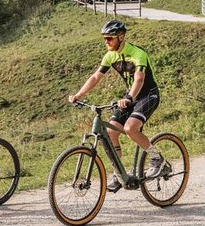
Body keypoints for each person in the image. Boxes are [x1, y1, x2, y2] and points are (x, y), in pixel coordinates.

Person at [68, 20, 164, 191]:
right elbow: (96, 77)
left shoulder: (137, 53)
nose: (106, 42)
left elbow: (139, 78)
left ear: (121, 37)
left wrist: (128, 97)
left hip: (148, 94)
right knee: (111, 131)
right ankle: (119, 174)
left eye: (109, 39)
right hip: (131, 96)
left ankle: (157, 159)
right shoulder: (110, 56)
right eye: (104, 38)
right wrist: (78, 95)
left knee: (130, 129)